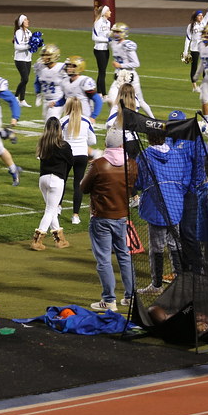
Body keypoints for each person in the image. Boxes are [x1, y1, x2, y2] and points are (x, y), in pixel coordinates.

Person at [81, 129, 138, 312]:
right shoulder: (131, 164)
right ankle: (130, 297)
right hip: (122, 216)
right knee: (124, 255)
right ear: (122, 145)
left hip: (101, 218)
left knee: (104, 259)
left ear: (107, 145)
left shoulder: (99, 164)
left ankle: (109, 300)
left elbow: (83, 188)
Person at [135, 127, 185, 294]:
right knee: (175, 244)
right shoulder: (176, 154)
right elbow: (183, 179)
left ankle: (156, 285)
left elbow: (139, 181)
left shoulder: (145, 155)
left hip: (156, 207)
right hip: (175, 205)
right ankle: (180, 280)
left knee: (157, 247)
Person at [32, 117, 73, 250]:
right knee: (50, 210)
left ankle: (60, 239)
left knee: (52, 209)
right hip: (56, 180)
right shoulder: (64, 145)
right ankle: (37, 240)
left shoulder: (43, 143)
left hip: (43, 179)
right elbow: (71, 162)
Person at [60, 97, 96, 225]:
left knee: (61, 180)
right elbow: (93, 141)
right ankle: (75, 215)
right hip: (82, 155)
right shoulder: (87, 120)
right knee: (78, 185)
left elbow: (58, 139)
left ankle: (58, 206)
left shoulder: (63, 121)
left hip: (67, 155)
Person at [108, 23, 153, 117]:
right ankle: (113, 119)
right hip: (119, 76)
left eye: (118, 32)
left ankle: (153, 119)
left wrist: (120, 65)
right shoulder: (114, 43)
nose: (115, 34)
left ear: (124, 33)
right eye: (115, 32)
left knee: (140, 101)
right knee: (111, 99)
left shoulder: (127, 45)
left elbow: (136, 63)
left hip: (130, 75)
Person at [182, 0, 208, 93]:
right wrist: (185, 52)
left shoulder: (204, 23)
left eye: (202, 15)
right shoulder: (191, 26)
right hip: (194, 48)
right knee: (194, 66)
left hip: (204, 48)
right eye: (199, 15)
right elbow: (188, 38)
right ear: (195, 17)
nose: (201, 16)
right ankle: (194, 86)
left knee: (205, 65)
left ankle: (204, 84)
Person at [12, 14, 33, 107]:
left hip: (28, 59)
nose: (27, 21)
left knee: (24, 80)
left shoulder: (29, 32)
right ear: (21, 22)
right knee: (25, 79)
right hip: (19, 59)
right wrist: (28, 46)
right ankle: (15, 96)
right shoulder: (18, 32)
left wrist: (37, 44)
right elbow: (17, 46)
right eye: (25, 20)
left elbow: (32, 46)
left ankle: (22, 100)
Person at [91, 5, 112, 91]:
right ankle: (103, 93)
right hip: (99, 50)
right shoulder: (98, 22)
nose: (110, 12)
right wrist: (107, 40)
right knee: (102, 71)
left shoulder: (108, 23)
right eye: (109, 11)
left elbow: (107, 35)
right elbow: (94, 37)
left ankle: (100, 92)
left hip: (106, 50)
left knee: (103, 72)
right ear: (104, 13)